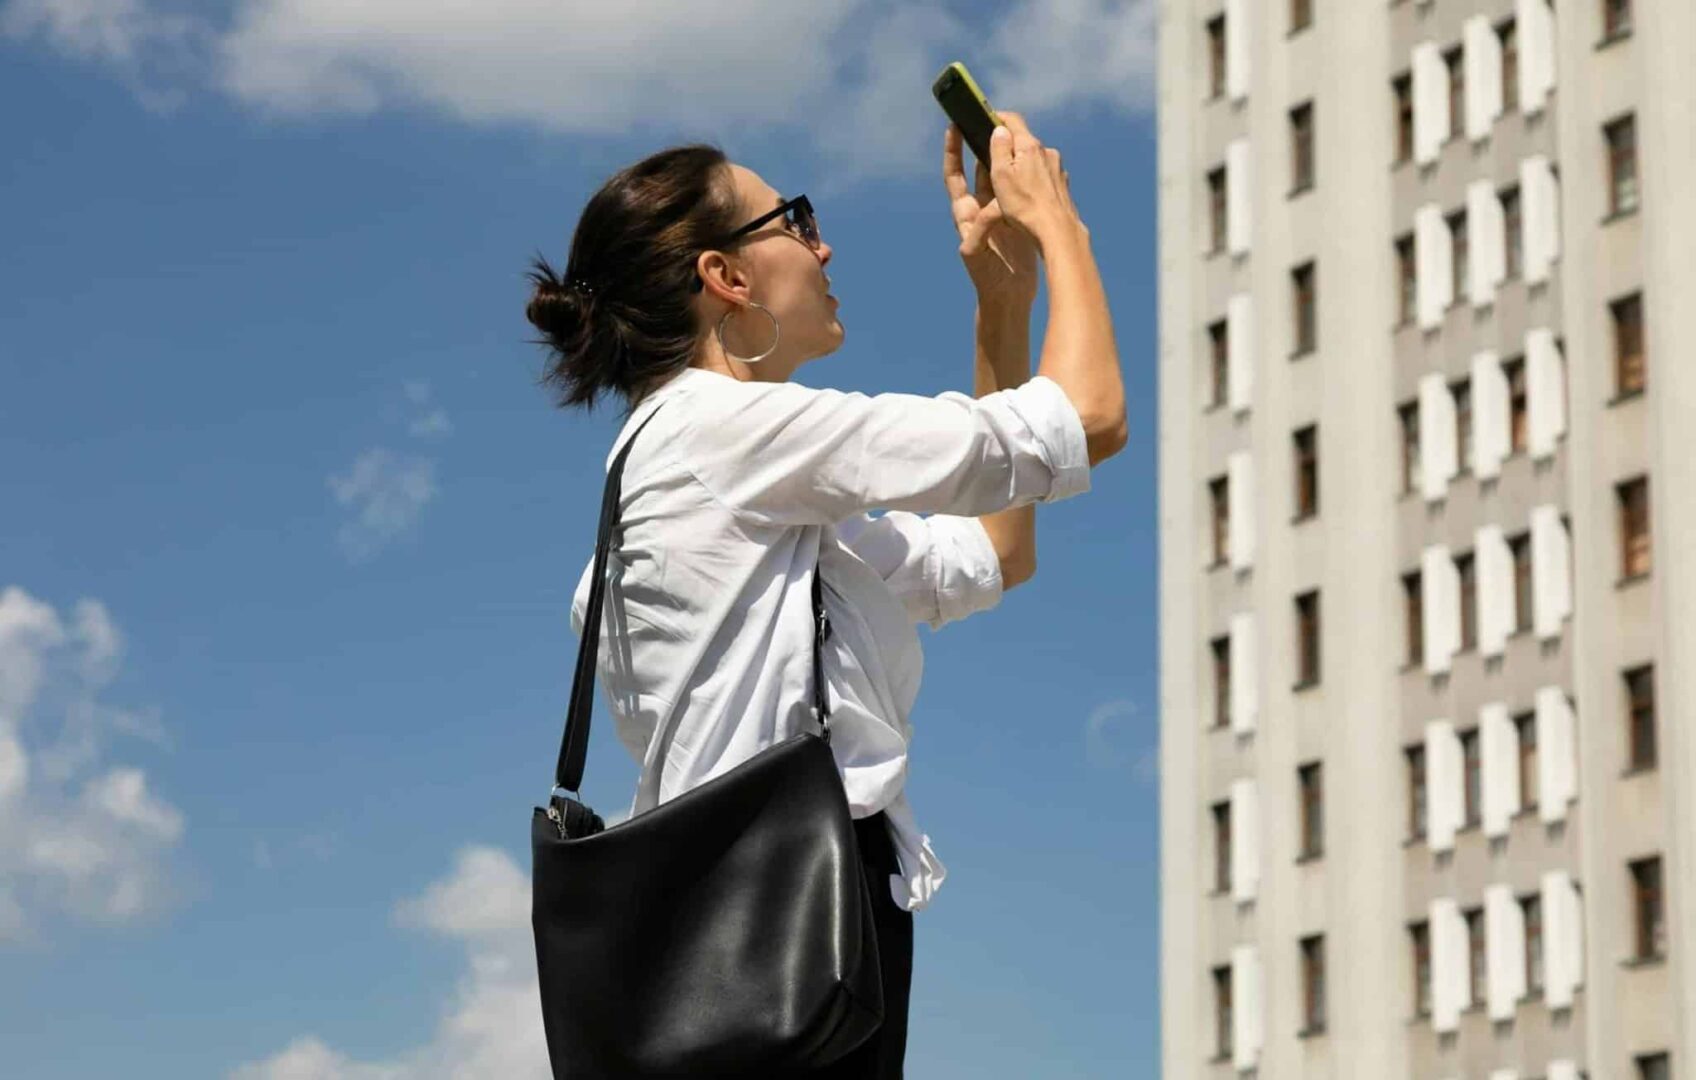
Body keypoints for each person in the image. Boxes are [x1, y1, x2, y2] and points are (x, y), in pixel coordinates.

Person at [524, 112, 1125, 1078]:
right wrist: (1062, 228)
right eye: (793, 221)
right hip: (783, 916)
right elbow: (1093, 418)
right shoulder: (722, 431)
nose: (824, 241)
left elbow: (996, 554)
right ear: (726, 278)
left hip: (743, 934)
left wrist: (1003, 309)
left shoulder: (720, 492)